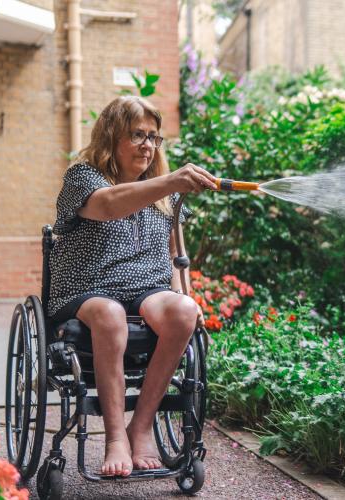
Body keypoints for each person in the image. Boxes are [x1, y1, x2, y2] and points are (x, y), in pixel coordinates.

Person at [47, 95, 218, 477]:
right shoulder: (83, 178)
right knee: (109, 313)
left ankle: (138, 429)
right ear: (112, 135)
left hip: (146, 288)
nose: (147, 144)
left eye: (154, 137)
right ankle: (114, 439)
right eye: (137, 134)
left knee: (184, 311)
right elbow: (108, 205)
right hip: (87, 288)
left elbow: (177, 255)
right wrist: (169, 181)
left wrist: (185, 296)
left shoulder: (165, 193)